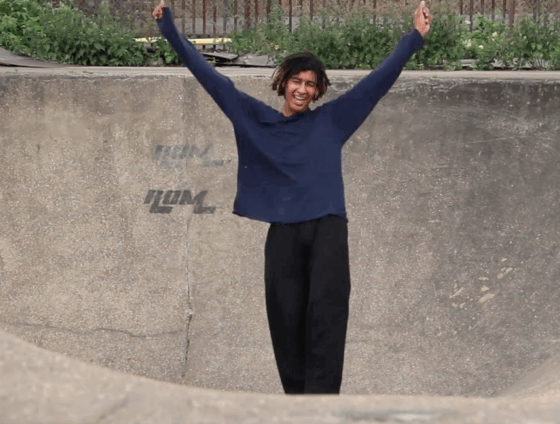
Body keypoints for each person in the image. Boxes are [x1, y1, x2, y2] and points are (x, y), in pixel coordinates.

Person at [152, 0, 431, 395]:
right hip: (283, 234)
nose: (303, 89)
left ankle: (322, 408)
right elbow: (210, 77)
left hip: (327, 232)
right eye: (297, 81)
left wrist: (413, 38)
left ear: (318, 91)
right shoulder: (255, 119)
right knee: (285, 323)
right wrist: (169, 30)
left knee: (326, 321)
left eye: (311, 84)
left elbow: (376, 82)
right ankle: (298, 407)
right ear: (283, 83)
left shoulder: (332, 120)